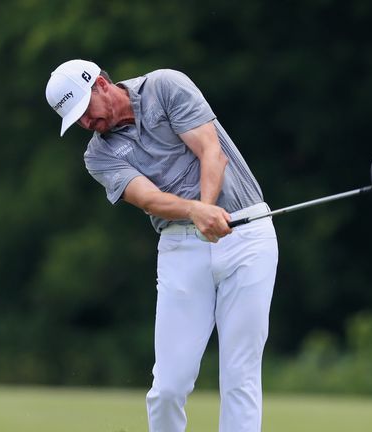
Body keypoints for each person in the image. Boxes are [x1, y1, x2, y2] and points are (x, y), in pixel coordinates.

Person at [45, 59, 279, 432]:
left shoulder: (165, 87)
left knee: (240, 374)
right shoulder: (98, 155)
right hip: (180, 246)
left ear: (102, 84)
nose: (86, 124)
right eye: (76, 121)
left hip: (246, 235)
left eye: (85, 111)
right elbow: (150, 199)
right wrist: (199, 213)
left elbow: (211, 152)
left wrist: (207, 209)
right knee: (168, 386)